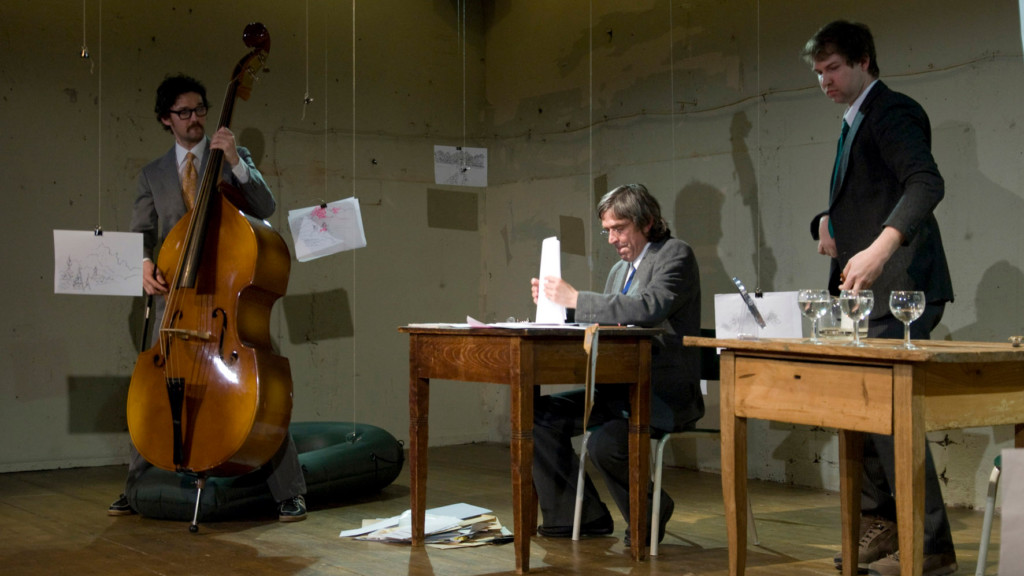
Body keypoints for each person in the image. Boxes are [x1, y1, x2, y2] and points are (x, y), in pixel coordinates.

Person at [109, 74, 307, 522]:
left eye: (200, 109)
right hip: (175, 303)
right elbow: (141, 235)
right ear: (166, 120)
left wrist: (235, 158)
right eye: (185, 112)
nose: (195, 118)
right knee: (154, 393)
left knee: (255, 393)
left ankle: (289, 491)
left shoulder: (231, 158)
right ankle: (135, 486)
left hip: (226, 303)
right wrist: (142, 265)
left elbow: (265, 206)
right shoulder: (152, 174)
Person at [802, 21, 956, 576]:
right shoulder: (854, 121)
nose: (825, 81)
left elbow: (925, 183)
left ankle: (931, 547)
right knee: (861, 413)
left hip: (903, 291)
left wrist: (879, 249)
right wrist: (825, 221)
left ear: (865, 60)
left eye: (834, 68)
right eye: (819, 73)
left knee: (890, 422)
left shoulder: (892, 111)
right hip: (865, 298)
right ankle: (886, 526)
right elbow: (868, 194)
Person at [530, 183, 702, 546]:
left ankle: (652, 509)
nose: (612, 238)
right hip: (618, 389)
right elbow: (609, 322)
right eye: (607, 230)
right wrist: (560, 307)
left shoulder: (675, 255)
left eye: (619, 228)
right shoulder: (617, 273)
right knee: (539, 416)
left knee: (606, 443)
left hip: (661, 393)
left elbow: (648, 308)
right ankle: (579, 517)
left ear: (647, 221)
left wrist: (577, 298)